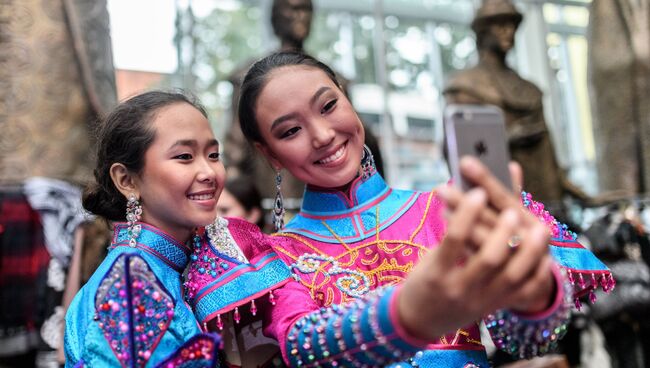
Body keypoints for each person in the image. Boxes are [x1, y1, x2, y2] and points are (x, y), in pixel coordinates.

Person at [186, 51, 614, 367]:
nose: (321, 134)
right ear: (269, 154)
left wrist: (534, 296)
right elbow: (303, 346)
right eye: (291, 130)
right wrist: (409, 312)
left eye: (329, 106)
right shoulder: (274, 255)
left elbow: (526, 342)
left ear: (350, 103)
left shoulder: (449, 210)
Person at [63, 90, 293, 367]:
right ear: (127, 180)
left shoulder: (176, 265)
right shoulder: (131, 284)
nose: (209, 172)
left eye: (213, 154)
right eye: (184, 156)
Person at [443, 0, 591, 218]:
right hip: (499, 204)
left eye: (512, 25)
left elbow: (549, 157)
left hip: (549, 203)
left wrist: (573, 190)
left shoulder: (529, 90)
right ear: (483, 31)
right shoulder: (466, 86)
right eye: (500, 24)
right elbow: (456, 153)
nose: (508, 31)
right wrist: (509, 138)